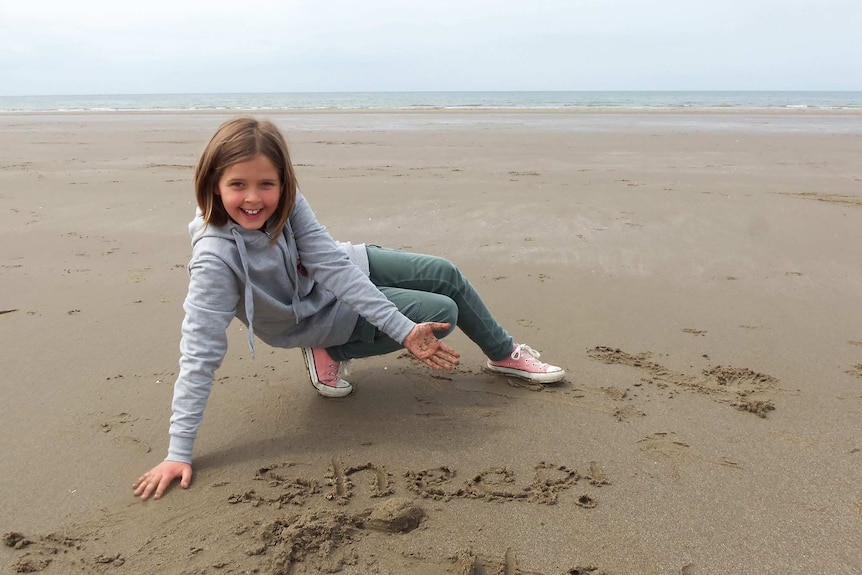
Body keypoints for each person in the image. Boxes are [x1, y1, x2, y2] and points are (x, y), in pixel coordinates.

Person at [132, 117, 564, 501]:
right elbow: (199, 351)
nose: (253, 198)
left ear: (283, 182)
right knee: (443, 315)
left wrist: (401, 328)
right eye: (238, 185)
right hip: (312, 317)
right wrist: (178, 451)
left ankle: (504, 353)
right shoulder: (215, 260)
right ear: (214, 184)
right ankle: (330, 350)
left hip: (336, 274)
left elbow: (332, 265)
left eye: (267, 184)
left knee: (444, 273)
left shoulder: (287, 203)